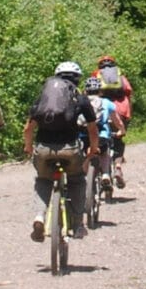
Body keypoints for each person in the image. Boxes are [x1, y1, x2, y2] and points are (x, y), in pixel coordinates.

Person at [24, 61, 97, 243]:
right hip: (69, 150)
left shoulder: (44, 98)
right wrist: (93, 149)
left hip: (43, 149)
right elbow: (92, 129)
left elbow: (28, 128)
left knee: (43, 180)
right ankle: (79, 224)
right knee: (77, 180)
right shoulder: (80, 98)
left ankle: (39, 217)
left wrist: (28, 146)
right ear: (77, 79)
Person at [94, 54, 133, 188]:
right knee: (118, 139)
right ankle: (117, 167)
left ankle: (96, 170)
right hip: (120, 109)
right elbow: (128, 90)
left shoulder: (96, 75)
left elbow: (88, 93)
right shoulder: (120, 76)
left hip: (101, 110)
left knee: (97, 139)